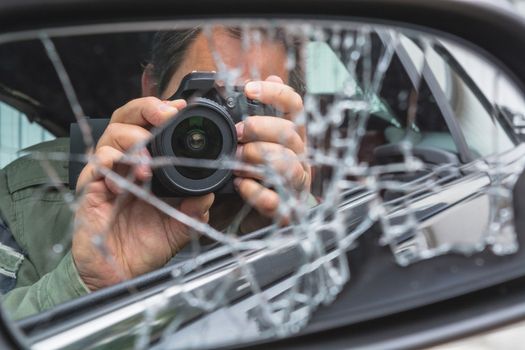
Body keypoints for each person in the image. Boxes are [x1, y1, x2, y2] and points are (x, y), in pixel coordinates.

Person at [0, 26, 311, 319]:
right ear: (152, 87)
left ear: (286, 123)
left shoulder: (304, 217)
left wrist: (292, 234)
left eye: (247, 106)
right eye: (204, 100)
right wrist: (88, 284)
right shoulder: (24, 200)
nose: (222, 130)